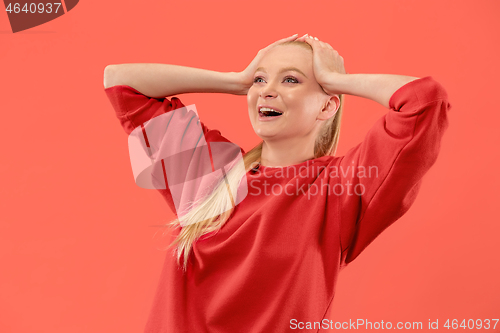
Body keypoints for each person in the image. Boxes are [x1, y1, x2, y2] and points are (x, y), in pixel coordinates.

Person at [103, 33, 451, 332]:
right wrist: (236, 81)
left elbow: (424, 101)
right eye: (260, 80)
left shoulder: (341, 188)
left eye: (291, 80)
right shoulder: (209, 172)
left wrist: (336, 79)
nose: (266, 91)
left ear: (328, 105)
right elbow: (121, 81)